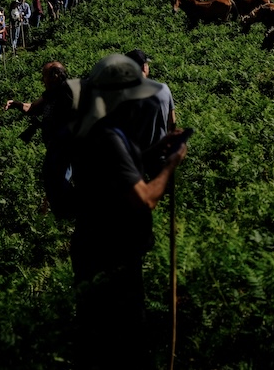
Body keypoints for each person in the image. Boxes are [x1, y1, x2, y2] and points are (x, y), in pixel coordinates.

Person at [67, 55, 186, 368]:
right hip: (111, 252)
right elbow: (144, 198)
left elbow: (120, 172)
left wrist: (154, 151)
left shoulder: (100, 129)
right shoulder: (108, 137)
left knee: (99, 330)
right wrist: (171, 164)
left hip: (97, 244)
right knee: (120, 336)